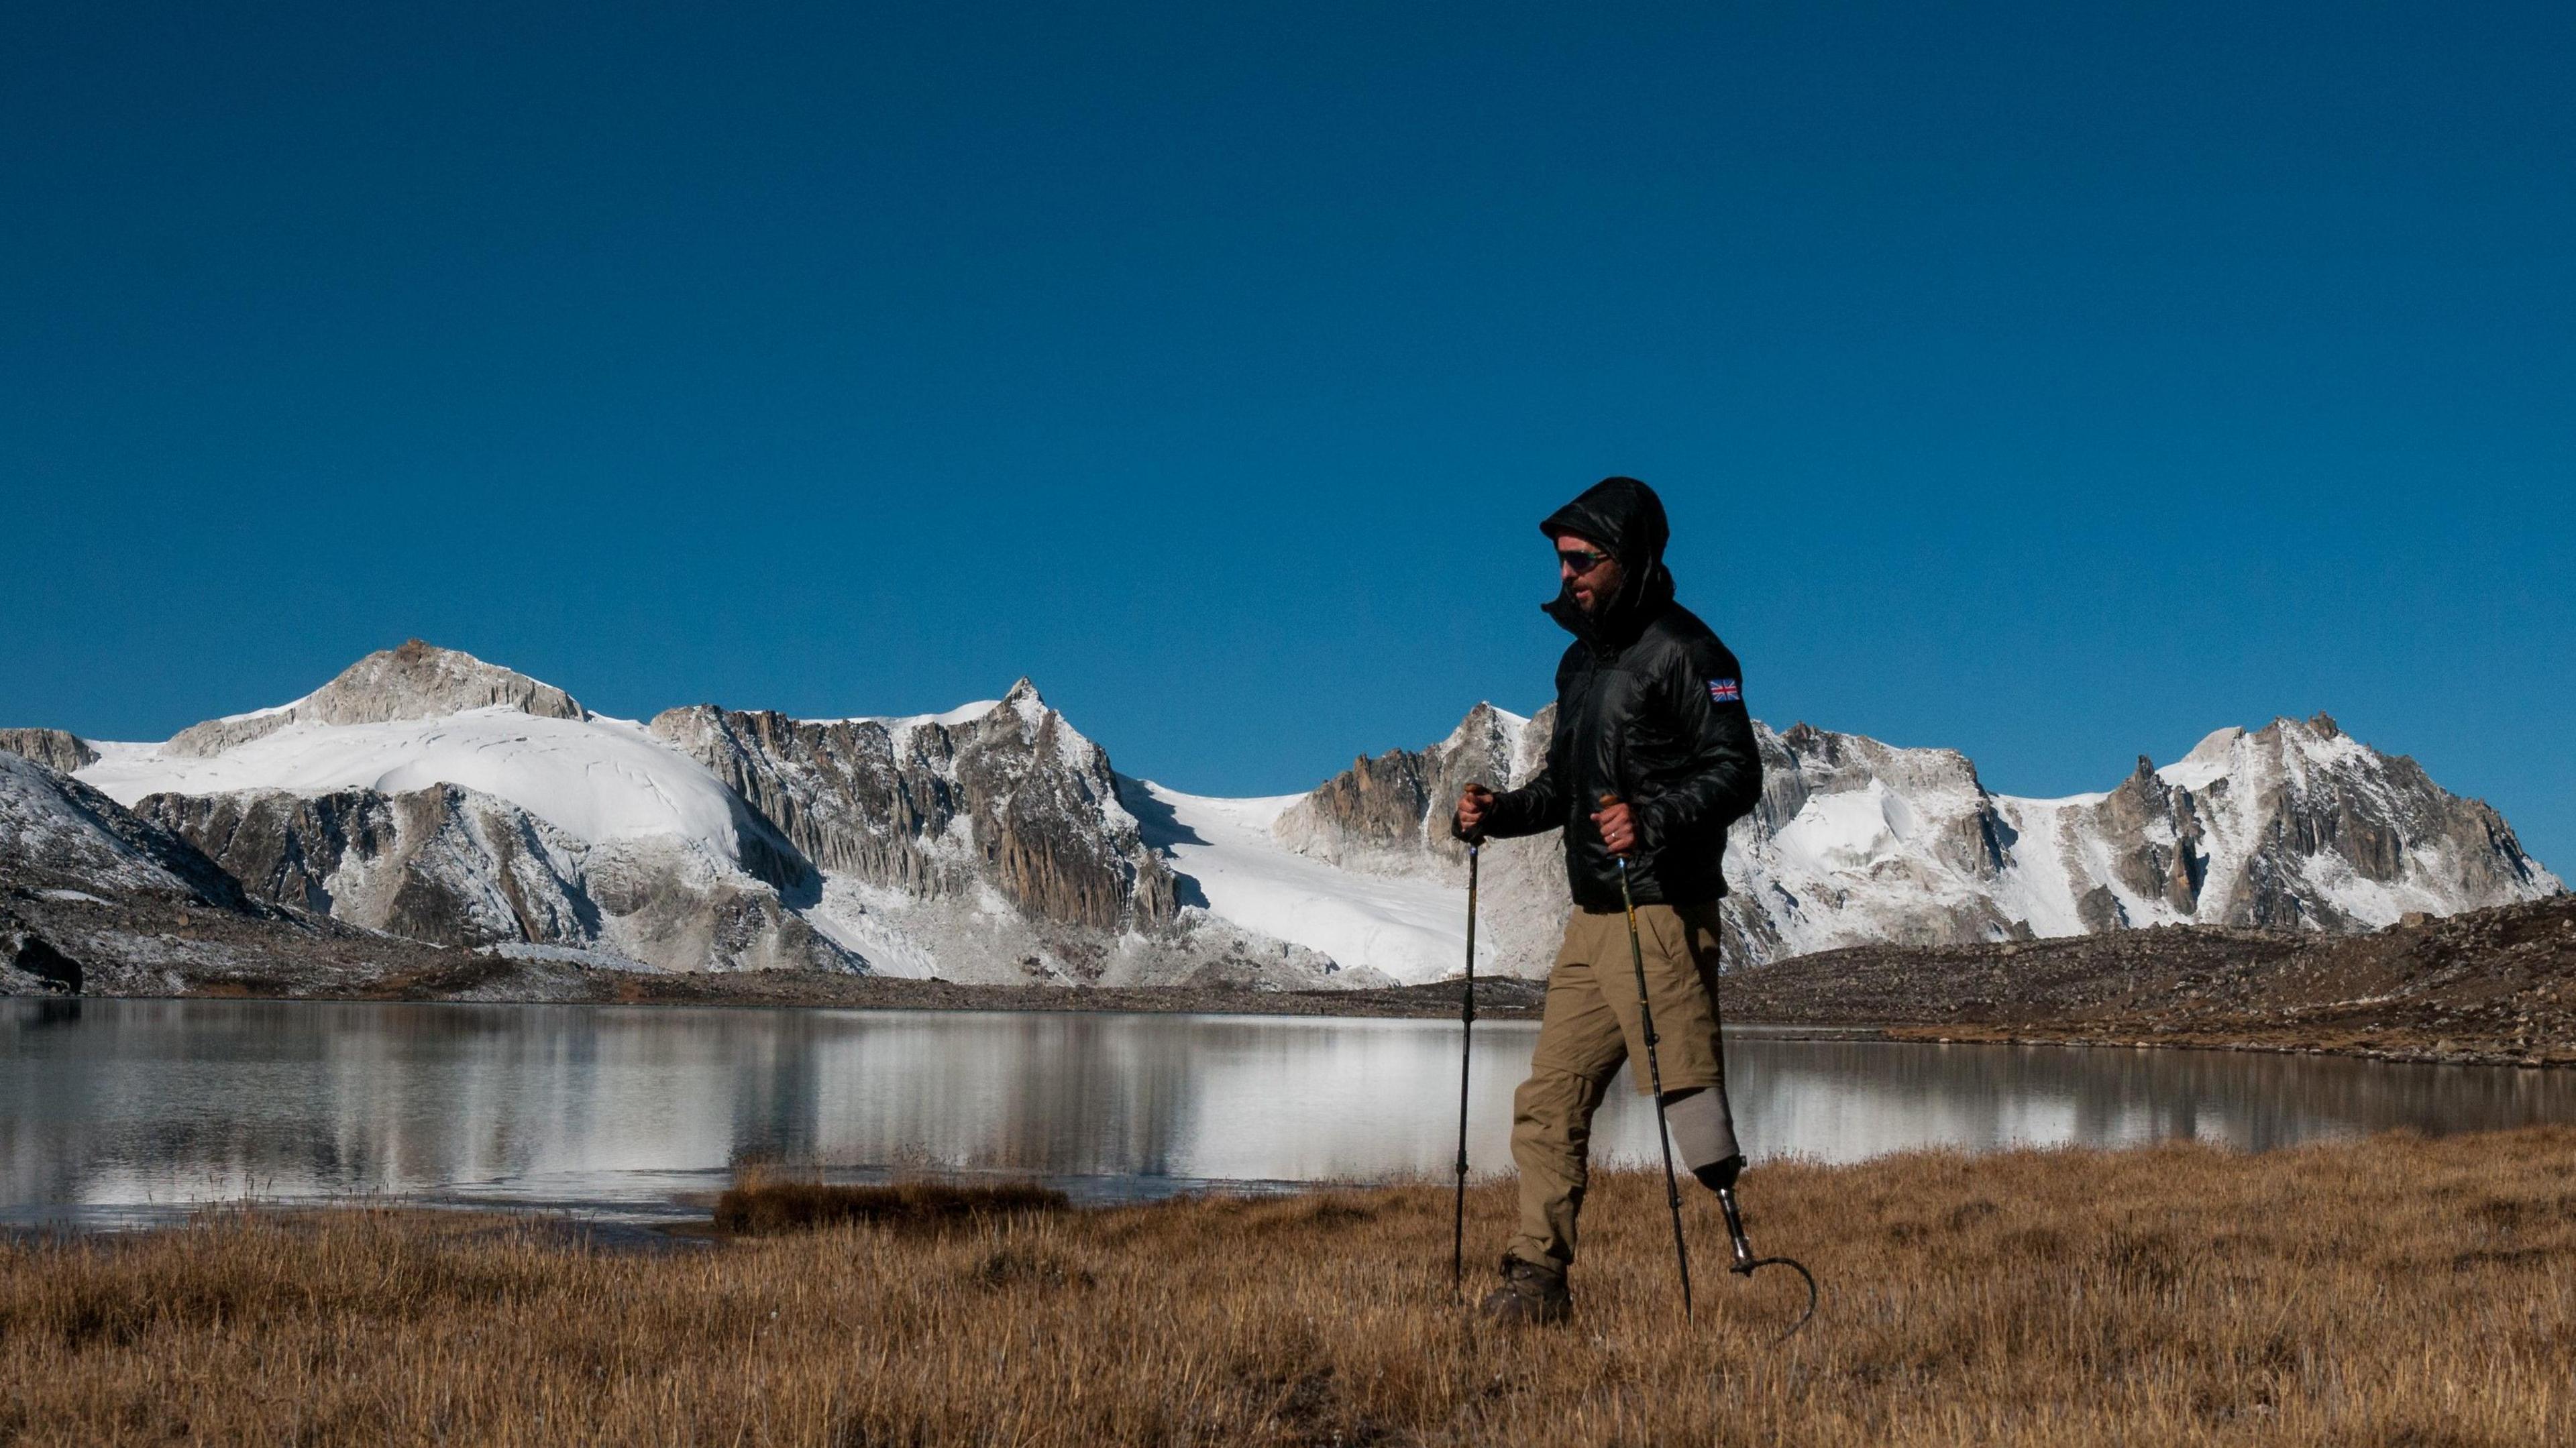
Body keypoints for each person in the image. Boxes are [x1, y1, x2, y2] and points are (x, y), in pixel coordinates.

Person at [1454, 476, 1764, 1325]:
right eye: (1561, 560)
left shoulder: (1692, 652)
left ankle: (1746, 1257)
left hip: (1663, 908)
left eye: (1582, 560)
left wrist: (1653, 817)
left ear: (1630, 558)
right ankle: (1535, 1281)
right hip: (1593, 920)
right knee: (1550, 1103)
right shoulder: (1580, 661)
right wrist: (1497, 814)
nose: (1568, 576)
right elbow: (1564, 786)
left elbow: (1740, 771)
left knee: (1691, 1101)